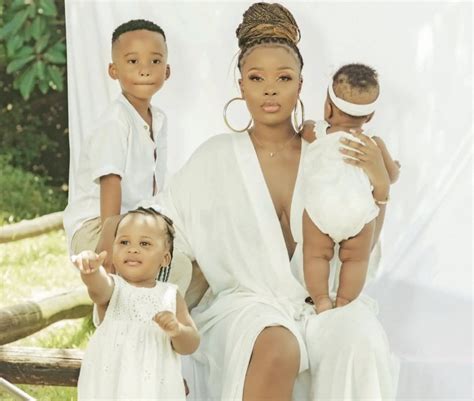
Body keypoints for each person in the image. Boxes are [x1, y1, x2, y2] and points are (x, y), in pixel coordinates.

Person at [153, 3, 399, 400]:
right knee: (277, 345)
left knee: (360, 337)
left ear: (301, 85)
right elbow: (164, 225)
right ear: (241, 86)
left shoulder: (331, 156)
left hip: (324, 303)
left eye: (283, 77)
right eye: (256, 78)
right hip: (246, 306)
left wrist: (380, 189)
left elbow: (362, 246)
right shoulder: (215, 157)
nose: (270, 89)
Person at [63, 19, 170, 258]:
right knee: (159, 266)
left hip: (133, 224)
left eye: (155, 61)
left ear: (167, 70)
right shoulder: (115, 120)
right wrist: (109, 240)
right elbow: (110, 181)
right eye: (133, 61)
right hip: (98, 225)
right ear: (114, 71)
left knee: (183, 260)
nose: (145, 69)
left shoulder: (159, 119)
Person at [302, 63, 400, 313]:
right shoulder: (373, 143)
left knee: (315, 254)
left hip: (322, 208)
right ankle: (344, 301)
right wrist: (395, 167)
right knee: (357, 260)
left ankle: (321, 298)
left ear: (328, 106)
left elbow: (302, 129)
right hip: (359, 212)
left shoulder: (318, 132)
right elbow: (391, 176)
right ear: (370, 116)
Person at [72, 207, 199, 400]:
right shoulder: (114, 288)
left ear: (165, 258)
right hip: (112, 385)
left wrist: (178, 330)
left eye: (144, 243)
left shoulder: (170, 295)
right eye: (124, 242)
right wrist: (91, 271)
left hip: (155, 388)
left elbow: (191, 344)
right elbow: (98, 288)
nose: (132, 249)